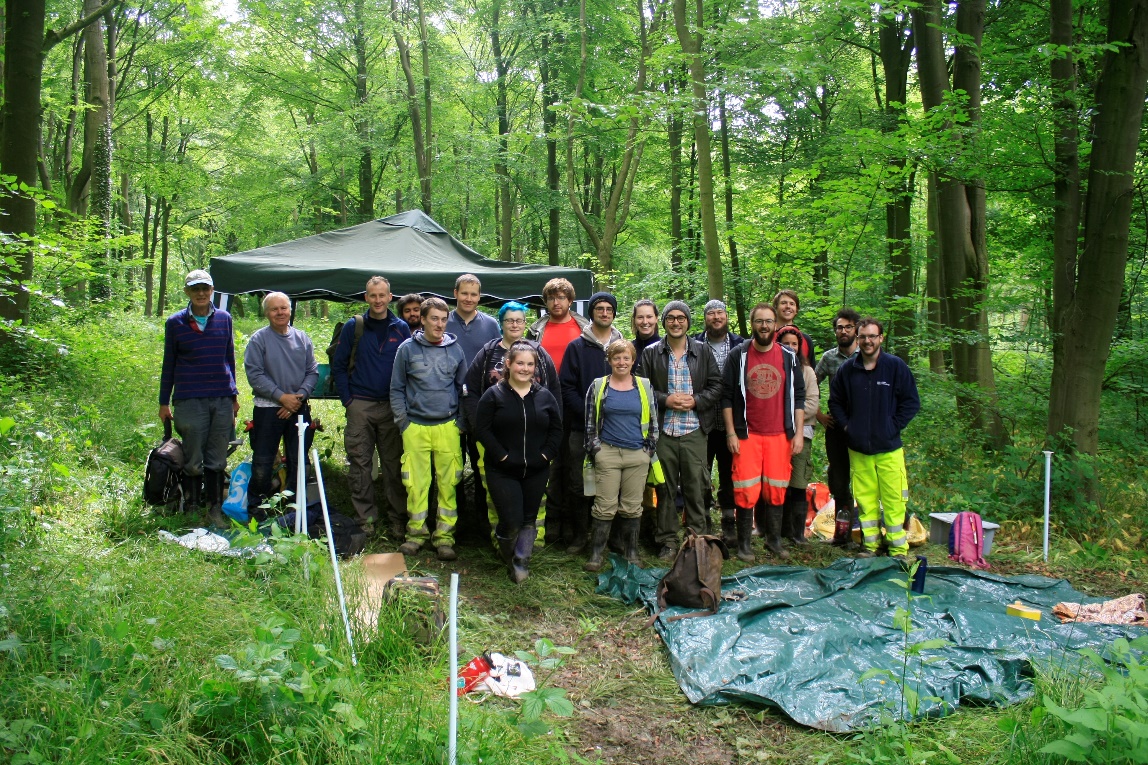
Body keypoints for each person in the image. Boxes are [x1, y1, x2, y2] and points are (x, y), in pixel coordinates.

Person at [463, 302, 561, 544]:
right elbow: (471, 392)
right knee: (496, 494)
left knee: (535, 496)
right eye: (509, 320)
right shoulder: (487, 353)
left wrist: (550, 442)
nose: (515, 325)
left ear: (525, 324)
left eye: (519, 320)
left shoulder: (539, 354)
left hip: (535, 438)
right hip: (494, 438)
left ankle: (531, 545)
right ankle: (502, 542)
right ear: (501, 323)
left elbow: (554, 395)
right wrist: (481, 429)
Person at [829, 318, 920, 559]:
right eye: (863, 337)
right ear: (857, 339)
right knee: (866, 501)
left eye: (872, 336)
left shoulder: (895, 367)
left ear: (881, 338)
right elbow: (835, 401)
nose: (867, 341)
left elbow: (911, 402)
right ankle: (870, 545)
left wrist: (893, 425)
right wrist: (848, 426)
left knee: (894, 500)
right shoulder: (848, 370)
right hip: (859, 449)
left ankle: (897, 548)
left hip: (889, 448)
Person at [721, 303, 805, 563]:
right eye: (759, 321)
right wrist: (731, 433)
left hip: (781, 434)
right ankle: (745, 544)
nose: (764, 326)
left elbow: (799, 397)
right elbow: (726, 397)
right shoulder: (739, 355)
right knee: (746, 489)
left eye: (769, 321)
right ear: (752, 323)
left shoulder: (788, 357)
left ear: (775, 324)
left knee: (776, 489)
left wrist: (799, 433)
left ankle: (774, 539)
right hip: (747, 435)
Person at [474, 343, 564, 583]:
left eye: (530, 364)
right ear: (509, 364)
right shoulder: (494, 395)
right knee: (511, 521)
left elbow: (557, 429)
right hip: (502, 470)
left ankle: (521, 561)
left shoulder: (544, 395)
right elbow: (481, 429)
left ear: (536, 368)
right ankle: (507, 553)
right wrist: (502, 455)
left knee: (529, 518)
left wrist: (545, 456)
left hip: (536, 469)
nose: (525, 368)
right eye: (520, 363)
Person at [640, 301, 723, 559]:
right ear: (663, 322)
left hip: (694, 429)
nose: (676, 322)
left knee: (696, 487)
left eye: (681, 318)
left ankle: (696, 539)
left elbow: (717, 385)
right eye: (671, 318)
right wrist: (666, 399)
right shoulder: (651, 353)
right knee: (664, 489)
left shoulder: (703, 351)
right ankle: (667, 540)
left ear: (688, 322)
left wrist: (697, 400)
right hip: (663, 430)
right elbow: (642, 388)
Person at [330, 276, 411, 538]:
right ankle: (365, 518)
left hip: (391, 406)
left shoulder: (401, 329)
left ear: (390, 297)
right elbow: (339, 366)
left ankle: (397, 518)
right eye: (372, 295)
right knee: (360, 464)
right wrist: (348, 400)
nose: (378, 300)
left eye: (382, 295)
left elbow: (408, 368)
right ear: (366, 297)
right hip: (360, 405)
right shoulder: (355, 326)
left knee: (393, 465)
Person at [159, 269, 239, 528]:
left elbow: (230, 358)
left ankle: (214, 510)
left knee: (218, 457)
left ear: (212, 290)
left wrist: (234, 394)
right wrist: (163, 402)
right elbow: (168, 364)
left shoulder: (225, 319)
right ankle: (191, 508)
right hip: (189, 398)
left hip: (222, 398)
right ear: (187, 293)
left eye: (205, 288)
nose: (201, 293)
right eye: (196, 289)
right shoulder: (175, 323)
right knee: (193, 458)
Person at [391, 297, 469, 561]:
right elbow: (396, 388)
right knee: (416, 484)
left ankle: (445, 538)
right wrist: (403, 423)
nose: (439, 324)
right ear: (422, 320)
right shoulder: (407, 349)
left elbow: (464, 390)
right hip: (415, 427)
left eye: (444, 319)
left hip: (447, 426)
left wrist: (460, 423)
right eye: (434, 318)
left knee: (449, 485)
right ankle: (415, 536)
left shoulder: (456, 350)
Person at [583, 340, 659, 572]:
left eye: (626, 358)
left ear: (632, 360)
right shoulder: (599, 386)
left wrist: (648, 451)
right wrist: (597, 449)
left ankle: (631, 551)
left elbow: (654, 420)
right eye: (616, 358)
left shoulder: (644, 386)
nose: (621, 362)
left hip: (637, 454)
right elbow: (589, 423)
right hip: (608, 453)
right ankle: (596, 554)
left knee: (632, 506)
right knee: (604, 506)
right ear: (609, 360)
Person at [243, 292, 319, 517]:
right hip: (268, 410)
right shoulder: (258, 340)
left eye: (283, 308)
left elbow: (312, 371)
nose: (280, 312)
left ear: (290, 310)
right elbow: (254, 374)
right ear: (267, 313)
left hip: (299, 407)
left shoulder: (302, 338)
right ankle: (257, 508)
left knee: (298, 461)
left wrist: (298, 397)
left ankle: (294, 509)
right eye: (274, 309)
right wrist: (281, 397)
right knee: (263, 461)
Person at [559, 291, 624, 553]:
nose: (605, 312)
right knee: (579, 482)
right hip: (581, 427)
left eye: (609, 309)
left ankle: (612, 537)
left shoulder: (623, 346)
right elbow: (566, 388)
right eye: (600, 308)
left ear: (614, 313)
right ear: (592, 312)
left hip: (617, 430)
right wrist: (588, 414)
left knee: (613, 483)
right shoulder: (577, 347)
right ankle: (579, 535)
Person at [527, 277, 590, 546]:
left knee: (575, 467)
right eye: (552, 298)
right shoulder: (535, 331)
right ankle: (551, 526)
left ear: (570, 300)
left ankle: (576, 527)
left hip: (576, 404)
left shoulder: (584, 328)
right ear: (546, 302)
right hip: (543, 403)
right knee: (550, 466)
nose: (557, 302)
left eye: (562, 297)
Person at [446, 274, 502, 541]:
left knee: (484, 467)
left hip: (482, 408)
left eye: (474, 294)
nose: (468, 298)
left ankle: (482, 522)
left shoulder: (491, 325)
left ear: (480, 297)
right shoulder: (442, 320)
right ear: (455, 293)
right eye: (464, 293)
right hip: (447, 408)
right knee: (451, 470)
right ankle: (455, 525)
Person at [694, 299, 744, 545]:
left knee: (729, 475)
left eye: (720, 313)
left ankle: (729, 523)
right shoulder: (694, 343)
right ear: (705, 318)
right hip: (700, 420)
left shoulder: (740, 345)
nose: (716, 317)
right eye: (711, 313)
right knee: (700, 474)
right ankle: (703, 521)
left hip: (731, 424)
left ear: (726, 316)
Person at [815, 308, 861, 547]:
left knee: (866, 480)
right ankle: (842, 535)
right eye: (839, 327)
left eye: (848, 327)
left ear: (857, 330)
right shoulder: (829, 358)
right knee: (839, 480)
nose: (843, 331)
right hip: (836, 426)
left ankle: (868, 533)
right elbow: (808, 385)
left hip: (864, 426)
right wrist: (819, 414)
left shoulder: (868, 355)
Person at [776, 325, 819, 546]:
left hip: (803, 433)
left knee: (798, 481)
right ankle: (778, 530)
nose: (790, 347)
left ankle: (797, 532)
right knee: (777, 481)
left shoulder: (807, 371)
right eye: (786, 343)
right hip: (775, 433)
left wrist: (790, 416)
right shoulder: (775, 367)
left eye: (794, 344)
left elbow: (812, 403)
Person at [773, 289, 815, 361]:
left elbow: (810, 369)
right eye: (783, 303)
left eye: (792, 304)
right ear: (775, 308)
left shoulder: (806, 340)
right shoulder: (765, 336)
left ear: (796, 310)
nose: (788, 306)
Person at [630, 299, 660, 373]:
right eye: (640, 317)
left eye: (649, 317)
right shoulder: (629, 349)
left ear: (656, 318)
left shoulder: (665, 348)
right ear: (634, 320)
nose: (645, 322)